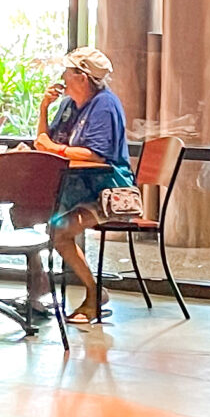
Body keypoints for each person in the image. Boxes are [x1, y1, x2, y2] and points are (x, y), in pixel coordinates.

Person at [34, 46, 134, 326]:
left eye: (68, 72)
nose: (63, 77)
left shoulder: (105, 105)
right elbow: (44, 142)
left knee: (60, 230)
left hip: (109, 192)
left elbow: (95, 154)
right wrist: (44, 108)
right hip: (75, 187)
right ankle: (37, 291)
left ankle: (94, 293)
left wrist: (56, 149)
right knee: (27, 214)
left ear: (82, 77)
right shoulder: (67, 105)